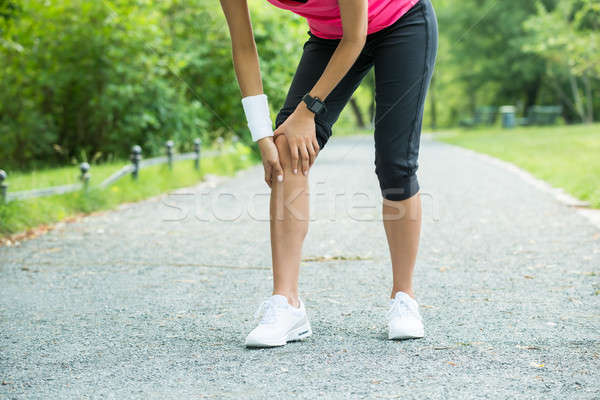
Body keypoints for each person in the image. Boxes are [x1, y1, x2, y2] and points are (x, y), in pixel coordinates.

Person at [219, 0, 438, 347]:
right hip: (332, 37)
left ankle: (404, 298)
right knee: (285, 145)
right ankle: (286, 303)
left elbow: (357, 36)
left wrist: (310, 109)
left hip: (402, 23)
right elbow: (243, 47)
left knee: (395, 165)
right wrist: (263, 135)